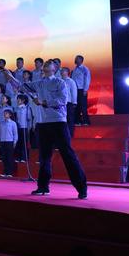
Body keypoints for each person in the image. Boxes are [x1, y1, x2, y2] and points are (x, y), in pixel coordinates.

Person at [30, 61, 87, 199]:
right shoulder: (39, 83)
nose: (45, 67)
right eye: (45, 66)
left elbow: (62, 100)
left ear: (54, 69)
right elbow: (22, 86)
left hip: (58, 122)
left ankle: (82, 188)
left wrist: (43, 102)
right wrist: (9, 76)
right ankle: (43, 187)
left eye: (48, 66)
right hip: (43, 123)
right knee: (44, 157)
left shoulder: (60, 83)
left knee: (67, 154)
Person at [0, 109, 18, 177]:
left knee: (9, 157)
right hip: (3, 141)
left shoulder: (13, 123)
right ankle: (5, 172)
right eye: (4, 113)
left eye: (6, 113)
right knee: (4, 157)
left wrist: (15, 142)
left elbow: (15, 134)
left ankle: (9, 173)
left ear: (10, 115)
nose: (5, 114)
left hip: (10, 141)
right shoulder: (2, 123)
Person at [72, 55, 91, 126]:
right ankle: (78, 121)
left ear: (81, 60)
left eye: (78, 59)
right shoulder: (74, 69)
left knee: (83, 106)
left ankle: (86, 121)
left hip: (82, 89)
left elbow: (87, 79)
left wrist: (85, 90)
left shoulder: (85, 69)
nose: (76, 60)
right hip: (75, 90)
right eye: (76, 59)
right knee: (76, 106)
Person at [14, 94, 32, 162]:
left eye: (19, 99)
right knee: (18, 142)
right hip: (18, 127)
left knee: (24, 143)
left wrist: (29, 128)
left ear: (23, 100)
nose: (17, 100)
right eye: (17, 99)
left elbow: (29, 119)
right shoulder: (16, 108)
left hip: (24, 127)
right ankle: (18, 157)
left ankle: (24, 157)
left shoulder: (27, 108)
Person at [61, 67, 78, 137]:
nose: (61, 72)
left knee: (70, 118)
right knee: (62, 119)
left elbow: (74, 92)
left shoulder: (71, 81)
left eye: (63, 71)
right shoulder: (59, 81)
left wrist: (74, 102)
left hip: (68, 102)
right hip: (60, 103)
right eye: (61, 71)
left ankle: (70, 133)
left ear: (67, 72)